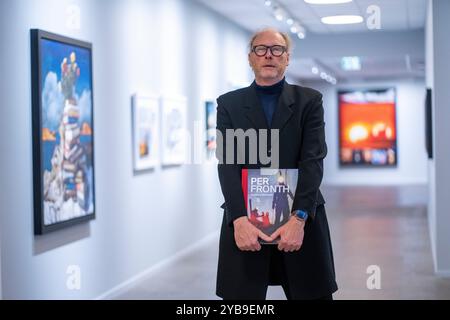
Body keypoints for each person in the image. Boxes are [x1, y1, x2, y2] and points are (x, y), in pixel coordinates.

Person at [215, 28, 338, 300]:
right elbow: (228, 165)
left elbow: (313, 161)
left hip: (300, 219)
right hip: (246, 220)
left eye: (277, 49)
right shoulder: (229, 104)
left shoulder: (309, 101)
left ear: (287, 58)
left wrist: (300, 218)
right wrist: (238, 220)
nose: (269, 54)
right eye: (261, 49)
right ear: (250, 58)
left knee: (311, 294)